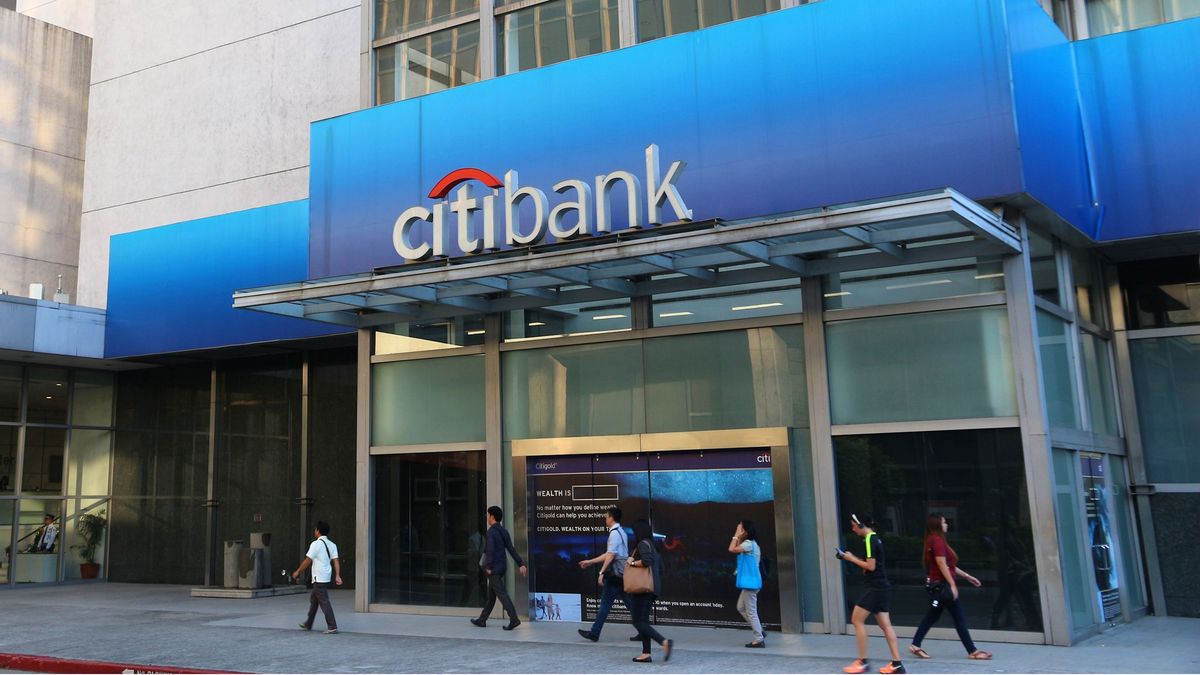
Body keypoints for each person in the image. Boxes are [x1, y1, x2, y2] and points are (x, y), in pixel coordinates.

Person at [909, 514, 993, 661]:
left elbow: (949, 565)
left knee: (932, 616)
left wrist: (967, 576)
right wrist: (953, 585)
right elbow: (942, 564)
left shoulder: (933, 540)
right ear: (937, 525)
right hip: (943, 587)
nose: (946, 524)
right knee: (959, 618)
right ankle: (972, 651)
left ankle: (915, 644)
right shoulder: (937, 541)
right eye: (944, 522)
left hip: (939, 587)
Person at [836, 514, 904, 674]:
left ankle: (862, 662)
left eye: (853, 525)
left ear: (860, 525)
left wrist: (850, 558)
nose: (853, 529)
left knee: (856, 620)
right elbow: (872, 565)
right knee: (886, 625)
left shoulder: (869, 540)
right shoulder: (875, 539)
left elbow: (871, 566)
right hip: (882, 587)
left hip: (874, 587)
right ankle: (897, 664)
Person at [577, 506, 633, 642]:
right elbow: (609, 554)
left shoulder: (614, 533)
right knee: (630, 604)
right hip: (622, 574)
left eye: (606, 516)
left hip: (614, 575)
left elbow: (611, 555)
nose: (605, 518)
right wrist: (591, 561)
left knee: (605, 605)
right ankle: (644, 630)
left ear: (611, 518)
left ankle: (594, 633)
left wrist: (601, 572)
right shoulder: (621, 532)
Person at [471, 505, 527, 630]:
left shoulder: (491, 532)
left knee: (501, 594)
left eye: (488, 515)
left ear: (492, 516)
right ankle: (482, 620)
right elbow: (511, 549)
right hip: (501, 567)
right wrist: (521, 564)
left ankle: (514, 619)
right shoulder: (503, 531)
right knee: (492, 596)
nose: (487, 517)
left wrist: (488, 566)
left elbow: (490, 550)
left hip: (494, 569)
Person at [626, 519, 672, 663]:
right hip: (653, 588)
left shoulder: (642, 544)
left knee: (637, 622)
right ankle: (646, 653)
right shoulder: (653, 545)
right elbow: (661, 569)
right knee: (643, 621)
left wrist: (632, 562)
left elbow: (646, 561)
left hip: (642, 589)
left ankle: (664, 642)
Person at [292, 520, 342, 634]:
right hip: (326, 576)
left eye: (315, 529)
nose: (314, 531)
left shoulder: (315, 544)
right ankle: (308, 623)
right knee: (314, 600)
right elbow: (336, 561)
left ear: (318, 531)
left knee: (324, 601)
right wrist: (338, 575)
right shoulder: (332, 545)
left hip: (319, 577)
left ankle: (332, 626)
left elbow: (308, 560)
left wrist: (298, 571)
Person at [728, 519, 765, 648]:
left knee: (751, 612)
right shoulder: (750, 544)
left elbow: (732, 549)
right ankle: (759, 630)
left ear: (746, 531)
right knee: (741, 607)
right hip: (750, 583)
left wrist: (736, 534)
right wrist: (739, 536)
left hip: (750, 584)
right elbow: (738, 548)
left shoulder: (749, 544)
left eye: (741, 528)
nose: (739, 530)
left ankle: (759, 638)